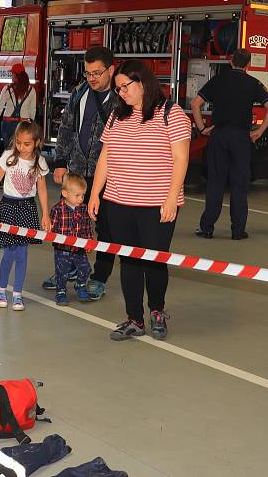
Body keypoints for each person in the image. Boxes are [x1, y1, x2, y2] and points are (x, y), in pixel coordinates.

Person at [89, 60, 190, 341]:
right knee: (129, 262)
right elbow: (106, 157)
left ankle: (157, 311)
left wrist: (171, 199)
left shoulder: (173, 113)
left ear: (143, 82)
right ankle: (134, 318)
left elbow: (181, 159)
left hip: (156, 205)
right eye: (118, 88)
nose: (121, 93)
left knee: (154, 262)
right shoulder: (117, 115)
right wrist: (96, 192)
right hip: (119, 202)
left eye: (126, 87)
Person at [44, 46, 117, 300]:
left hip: (108, 176)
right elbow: (65, 128)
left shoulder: (122, 99)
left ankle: (99, 277)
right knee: (70, 227)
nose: (92, 78)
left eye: (97, 73)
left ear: (111, 69)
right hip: (76, 172)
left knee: (107, 229)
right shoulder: (79, 92)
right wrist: (60, 161)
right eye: (88, 73)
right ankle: (71, 269)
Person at [191, 48, 268, 240]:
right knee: (239, 184)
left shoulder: (218, 80)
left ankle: (207, 228)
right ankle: (238, 230)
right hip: (241, 138)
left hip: (219, 135)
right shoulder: (253, 83)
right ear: (248, 65)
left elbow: (195, 103)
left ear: (231, 61)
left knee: (216, 182)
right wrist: (259, 131)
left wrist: (202, 128)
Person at [0, 121, 50, 311]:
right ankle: (1, 289)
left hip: (27, 208)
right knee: (9, 252)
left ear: (36, 142)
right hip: (8, 207)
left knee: (22, 253)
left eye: (26, 144)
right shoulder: (8, 157)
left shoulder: (40, 162)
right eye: (18, 143)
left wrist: (46, 214)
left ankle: (18, 293)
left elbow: (43, 190)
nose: (21, 147)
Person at [50, 173, 95, 306]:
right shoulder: (57, 210)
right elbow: (51, 230)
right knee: (62, 271)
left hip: (79, 249)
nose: (81, 198)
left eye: (82, 195)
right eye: (77, 195)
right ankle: (61, 291)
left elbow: (87, 226)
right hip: (62, 250)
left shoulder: (83, 209)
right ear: (64, 193)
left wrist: (89, 241)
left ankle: (80, 284)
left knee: (86, 269)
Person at [0, 63, 36, 162]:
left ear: (16, 76)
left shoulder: (7, 89)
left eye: (12, 75)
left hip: (8, 125)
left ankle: (8, 172)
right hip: (23, 125)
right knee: (22, 151)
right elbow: (33, 110)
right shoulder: (31, 90)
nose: (11, 77)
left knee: (9, 151)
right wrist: (31, 124)